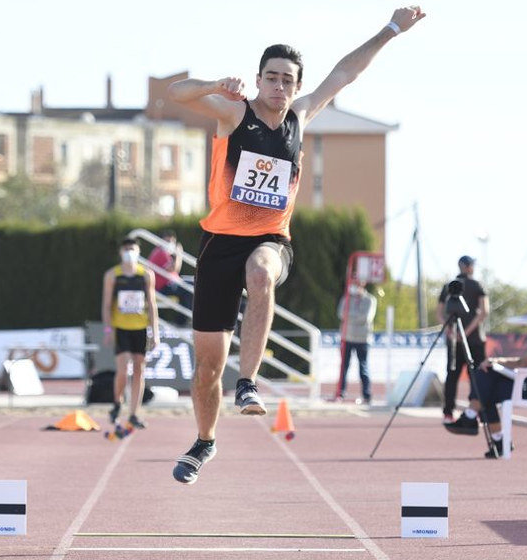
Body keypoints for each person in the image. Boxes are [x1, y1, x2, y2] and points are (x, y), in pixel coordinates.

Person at [167, 6, 427, 484]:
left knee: (263, 272)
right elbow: (175, 94)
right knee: (206, 369)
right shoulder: (233, 112)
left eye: (288, 80)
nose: (280, 87)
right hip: (218, 244)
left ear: (295, 85)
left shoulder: (301, 117)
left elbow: (345, 72)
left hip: (270, 239)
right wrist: (212, 86)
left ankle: (247, 383)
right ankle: (205, 441)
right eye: (271, 78)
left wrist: (392, 29)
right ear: (258, 80)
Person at [446, 304, 527, 458]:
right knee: (486, 372)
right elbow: (522, 362)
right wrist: (496, 361)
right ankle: (481, 425)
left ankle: (478, 422)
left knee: (486, 388)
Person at [101, 238, 159, 430]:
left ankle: (133, 413)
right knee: (124, 367)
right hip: (121, 328)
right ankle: (117, 403)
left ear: (138, 252)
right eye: (126, 249)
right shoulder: (112, 275)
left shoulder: (146, 275)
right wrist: (108, 329)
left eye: (132, 249)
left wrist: (155, 332)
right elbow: (107, 305)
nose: (129, 252)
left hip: (140, 328)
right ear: (120, 252)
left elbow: (151, 304)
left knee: (139, 370)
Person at [438, 255, 489, 424]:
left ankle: (448, 412)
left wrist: (451, 331)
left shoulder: (448, 286)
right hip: (474, 339)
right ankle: (477, 411)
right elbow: (484, 311)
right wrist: (466, 332)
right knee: (477, 376)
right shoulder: (477, 285)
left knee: (452, 375)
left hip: (456, 340)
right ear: (468, 267)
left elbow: (439, 312)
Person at [335, 282, 377, 404]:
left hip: (363, 339)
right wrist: (351, 316)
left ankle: (366, 395)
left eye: (356, 284)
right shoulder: (346, 298)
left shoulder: (369, 300)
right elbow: (341, 314)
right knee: (343, 367)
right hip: (347, 337)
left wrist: (350, 316)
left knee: (363, 367)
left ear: (362, 286)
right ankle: (340, 393)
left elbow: (366, 317)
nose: (353, 287)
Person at [148, 230, 192, 324]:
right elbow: (174, 269)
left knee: (192, 283)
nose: (170, 244)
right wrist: (179, 254)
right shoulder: (161, 252)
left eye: (172, 242)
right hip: (163, 287)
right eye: (167, 241)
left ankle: (183, 319)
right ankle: (183, 320)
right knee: (189, 287)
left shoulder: (162, 252)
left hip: (169, 284)